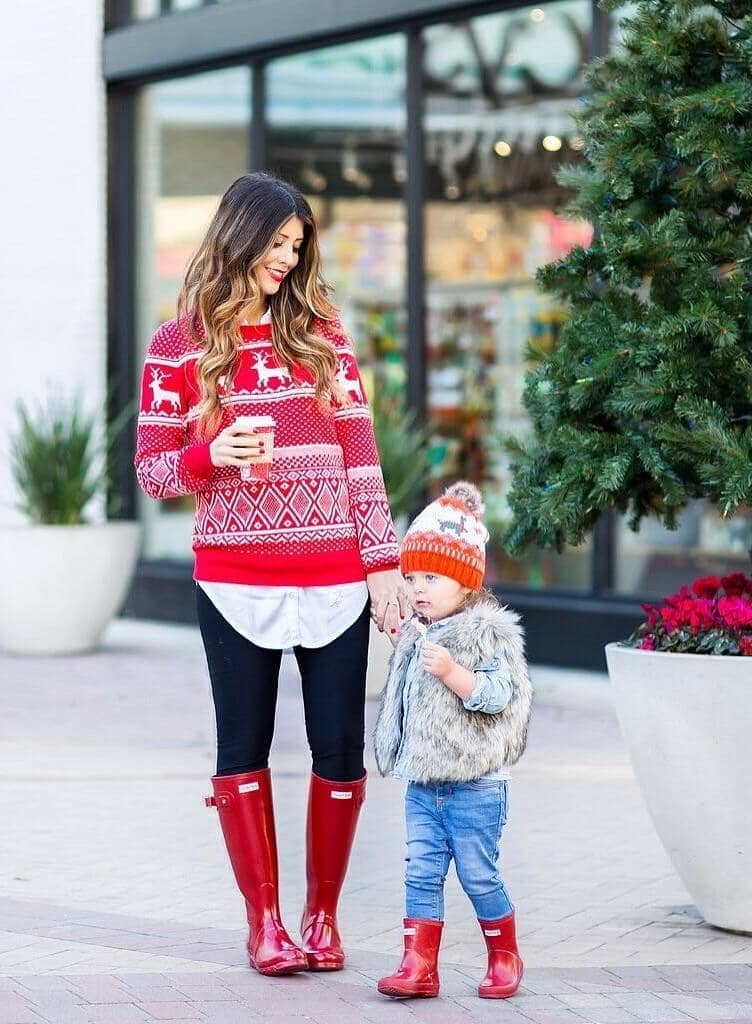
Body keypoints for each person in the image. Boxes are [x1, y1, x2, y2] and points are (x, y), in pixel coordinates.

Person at [134, 172, 407, 976]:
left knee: (340, 751)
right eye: (277, 243)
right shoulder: (176, 346)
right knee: (242, 744)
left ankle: (321, 920)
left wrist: (382, 563)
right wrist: (206, 454)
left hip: (334, 576)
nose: (288, 259)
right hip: (235, 578)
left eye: (298, 246)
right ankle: (266, 926)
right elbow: (152, 472)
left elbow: (362, 457)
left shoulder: (323, 335)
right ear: (240, 236)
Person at [373, 481, 532, 1000]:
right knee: (420, 871)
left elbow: (498, 695)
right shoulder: (421, 632)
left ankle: (504, 956)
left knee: (477, 873)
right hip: (424, 782)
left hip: (476, 786)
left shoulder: (489, 634)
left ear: (466, 582)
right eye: (413, 576)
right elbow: (401, 698)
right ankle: (419, 964)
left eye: (433, 577)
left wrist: (453, 674)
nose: (419, 587)